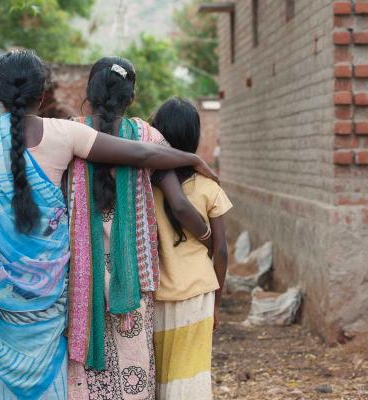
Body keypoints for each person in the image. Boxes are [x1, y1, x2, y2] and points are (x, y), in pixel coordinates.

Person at [0, 50, 218, 400]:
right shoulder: (64, 134)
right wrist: (192, 158)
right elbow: (141, 154)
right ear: (41, 95)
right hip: (48, 302)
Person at [66, 57, 214, 400]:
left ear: (90, 91)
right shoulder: (148, 137)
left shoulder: (71, 133)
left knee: (88, 366)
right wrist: (207, 237)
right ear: (131, 97)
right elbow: (178, 203)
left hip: (81, 275)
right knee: (134, 361)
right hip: (133, 274)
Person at [151, 98, 231, 400]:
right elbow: (221, 251)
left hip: (157, 294)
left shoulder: (146, 184)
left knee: (162, 378)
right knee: (191, 380)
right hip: (198, 293)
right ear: (195, 138)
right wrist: (219, 303)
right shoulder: (210, 186)